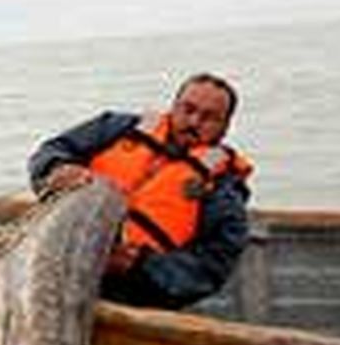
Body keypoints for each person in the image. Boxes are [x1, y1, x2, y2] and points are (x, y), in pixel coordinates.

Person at [27, 73, 253, 310]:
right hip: (58, 259)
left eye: (209, 118)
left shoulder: (225, 193)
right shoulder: (117, 127)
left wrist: (139, 264)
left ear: (225, 127)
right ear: (173, 107)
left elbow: (208, 271)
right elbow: (53, 150)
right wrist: (57, 168)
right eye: (188, 109)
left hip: (128, 298)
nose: (194, 121)